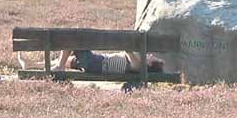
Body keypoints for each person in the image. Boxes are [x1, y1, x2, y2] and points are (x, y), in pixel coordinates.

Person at [18, 48, 164, 74]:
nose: (150, 54)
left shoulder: (138, 65)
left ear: (150, 64)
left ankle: (60, 67)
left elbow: (128, 49)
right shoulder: (138, 64)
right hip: (96, 62)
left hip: (96, 64)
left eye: (153, 57)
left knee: (71, 39)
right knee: (67, 59)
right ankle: (31, 65)